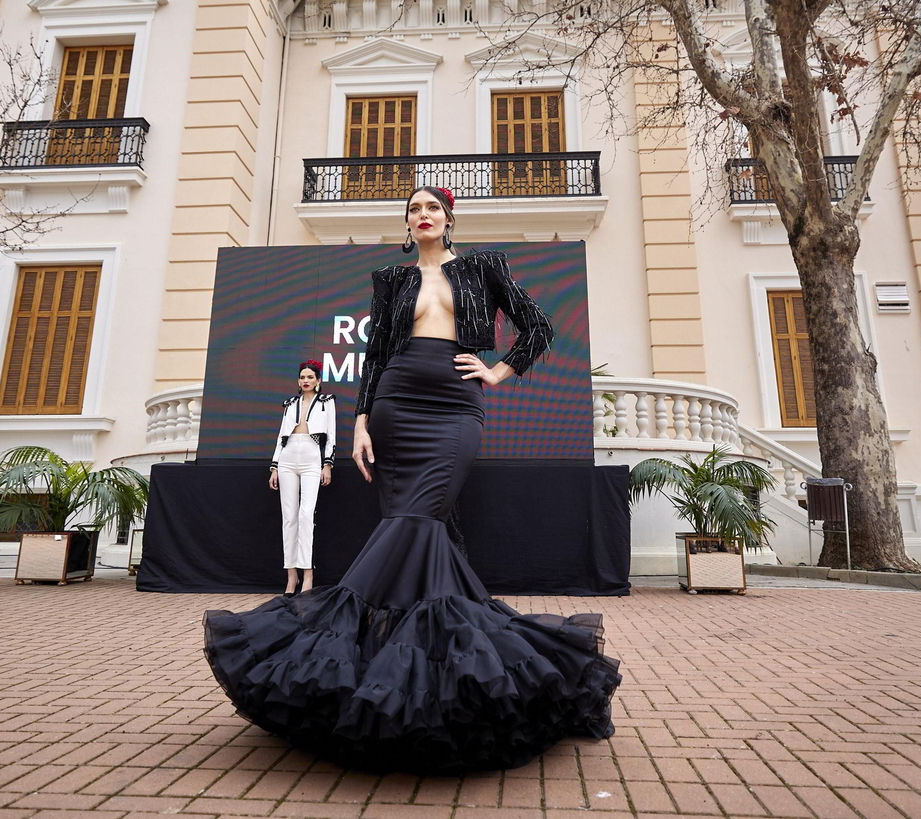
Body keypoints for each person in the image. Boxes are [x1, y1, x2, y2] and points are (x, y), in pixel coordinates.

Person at [205, 185, 621, 774]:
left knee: (417, 522)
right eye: (413, 210)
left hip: (454, 412)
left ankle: (332, 657)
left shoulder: (484, 267)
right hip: (395, 409)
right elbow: (374, 357)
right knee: (418, 535)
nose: (422, 215)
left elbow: (537, 328)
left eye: (432, 208)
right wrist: (358, 424)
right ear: (407, 224)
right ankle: (424, 680)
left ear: (449, 220)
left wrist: (498, 371)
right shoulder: (392, 280)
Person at [269, 360, 336, 595]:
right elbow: (281, 436)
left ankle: (308, 575)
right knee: (289, 517)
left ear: (318, 380)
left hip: (311, 457)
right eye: (302, 377)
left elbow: (331, 436)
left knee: (306, 515)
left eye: (310, 377)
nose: (305, 380)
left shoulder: (327, 403)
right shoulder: (290, 404)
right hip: (288, 457)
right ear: (298, 381)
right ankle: (291, 577)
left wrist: (327, 464)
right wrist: (275, 467)